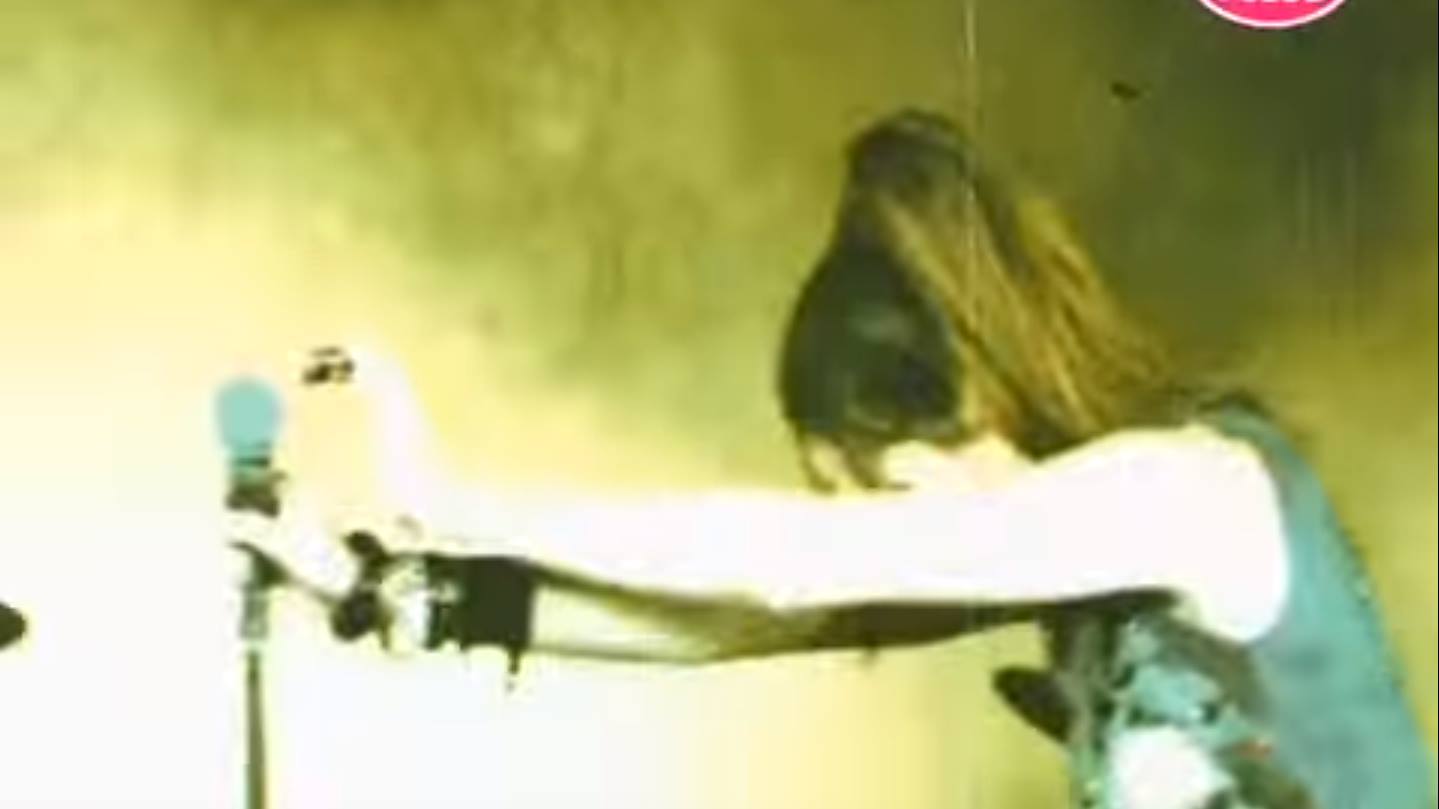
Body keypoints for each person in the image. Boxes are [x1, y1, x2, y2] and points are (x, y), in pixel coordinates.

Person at [247, 111, 1434, 808]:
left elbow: (794, 565)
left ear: (970, 400)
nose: (873, 537)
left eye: (873, 497)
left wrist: (455, 498)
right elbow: (723, 624)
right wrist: (397, 589)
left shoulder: (1190, 491)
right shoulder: (1071, 559)